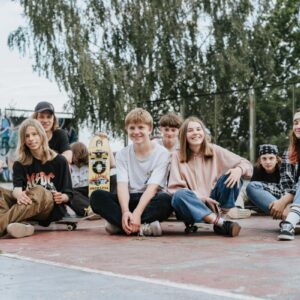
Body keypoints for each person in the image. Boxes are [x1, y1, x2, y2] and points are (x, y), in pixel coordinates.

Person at [90, 108, 173, 236]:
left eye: (141, 127)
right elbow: (122, 186)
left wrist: (138, 213)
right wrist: (125, 212)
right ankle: (142, 227)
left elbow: (152, 189)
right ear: (127, 130)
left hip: (149, 200)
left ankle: (119, 226)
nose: (136, 132)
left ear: (149, 129)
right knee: (97, 196)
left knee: (166, 200)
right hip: (128, 199)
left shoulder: (162, 154)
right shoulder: (123, 154)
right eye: (132, 128)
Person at [167, 116, 253, 237]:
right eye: (190, 130)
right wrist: (200, 197)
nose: (195, 133)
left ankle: (221, 219)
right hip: (191, 207)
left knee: (233, 174)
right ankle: (221, 223)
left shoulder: (214, 150)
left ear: (203, 132)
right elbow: (173, 188)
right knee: (178, 195)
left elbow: (247, 164)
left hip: (215, 204)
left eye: (198, 129)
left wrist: (239, 169)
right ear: (183, 135)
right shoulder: (176, 155)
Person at [0, 119, 73, 238]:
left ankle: (3, 224)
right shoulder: (20, 163)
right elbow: (17, 189)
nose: (31, 139)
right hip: (26, 206)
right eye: (27, 136)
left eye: (34, 134)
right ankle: (22, 226)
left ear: (41, 135)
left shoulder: (60, 161)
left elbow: (69, 193)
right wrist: (18, 194)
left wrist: (62, 197)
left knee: (39, 191)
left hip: (50, 208)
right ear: (23, 140)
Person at [69, 140, 116, 216]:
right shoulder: (69, 166)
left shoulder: (93, 162)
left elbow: (113, 165)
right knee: (70, 193)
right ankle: (89, 210)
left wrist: (106, 143)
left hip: (95, 189)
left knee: (114, 178)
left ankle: (112, 206)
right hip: (81, 195)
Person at [246, 144, 291, 220]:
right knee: (250, 187)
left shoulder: (283, 168)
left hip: (283, 196)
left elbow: (288, 189)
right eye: (264, 158)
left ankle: (287, 214)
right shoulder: (257, 170)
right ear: (260, 161)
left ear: (276, 160)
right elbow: (257, 194)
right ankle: (284, 214)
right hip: (268, 199)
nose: (268, 162)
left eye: (271, 158)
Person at [278, 110, 300, 241]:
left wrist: (287, 202)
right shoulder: (290, 151)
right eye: (295, 123)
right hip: (295, 198)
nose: (298, 126)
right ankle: (295, 216)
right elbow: (286, 181)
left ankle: (290, 222)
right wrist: (285, 203)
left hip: (294, 200)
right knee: (253, 187)